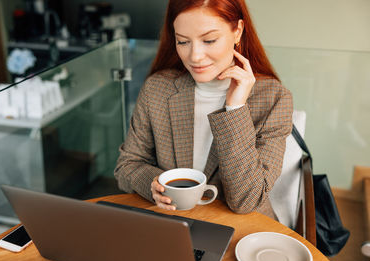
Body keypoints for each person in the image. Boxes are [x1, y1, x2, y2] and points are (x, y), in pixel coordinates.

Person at [114, 0, 293, 219]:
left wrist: (235, 109)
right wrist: (153, 185)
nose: (195, 56)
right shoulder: (157, 89)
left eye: (209, 40)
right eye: (183, 41)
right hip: (173, 223)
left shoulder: (273, 98)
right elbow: (127, 166)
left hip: (242, 229)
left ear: (238, 31)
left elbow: (246, 200)